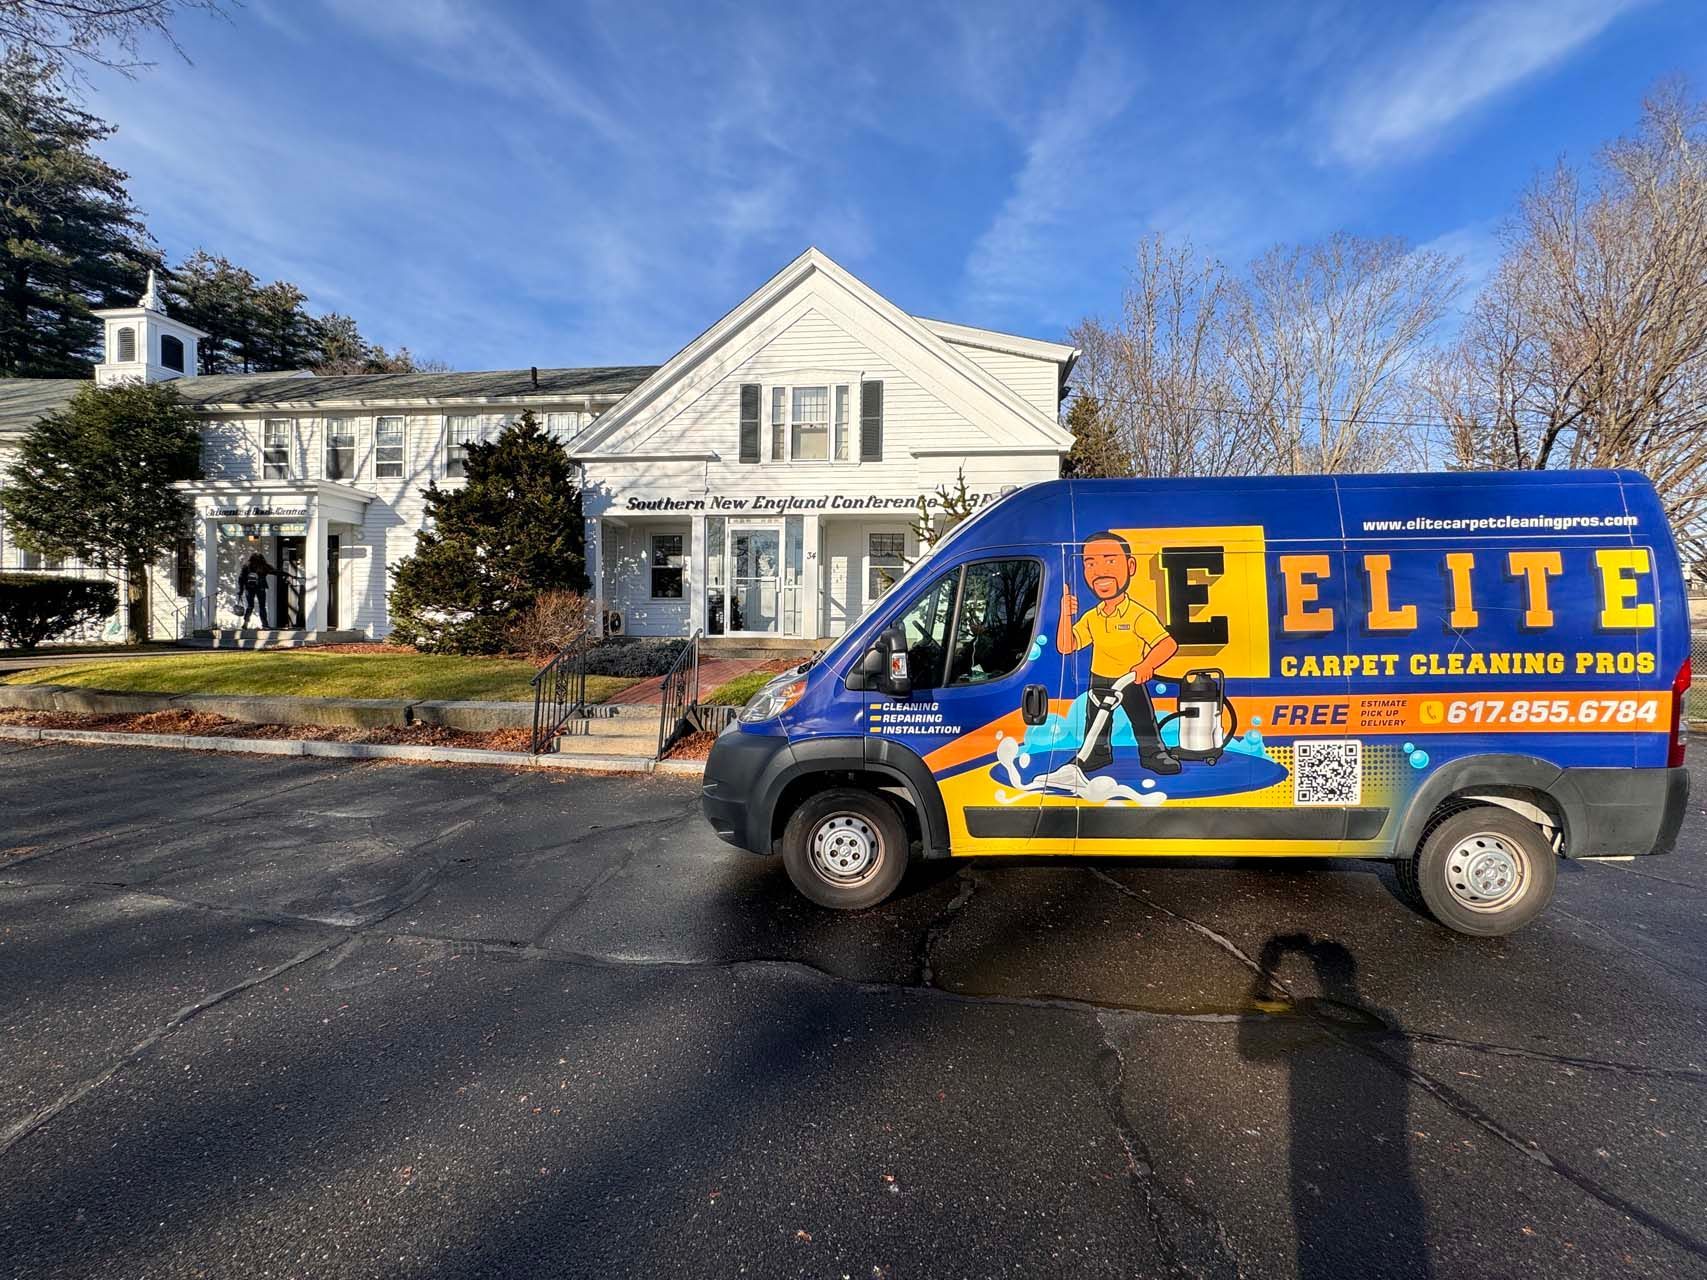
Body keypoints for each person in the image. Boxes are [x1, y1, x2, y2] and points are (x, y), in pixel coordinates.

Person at [1055, 530, 1181, 778]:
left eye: (1110, 560)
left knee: (1143, 720)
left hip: (1130, 679)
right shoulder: (1092, 617)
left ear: (1130, 566)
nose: (1100, 570)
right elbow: (1066, 645)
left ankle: (1154, 754)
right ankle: (1096, 754)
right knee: (1096, 723)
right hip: (1099, 678)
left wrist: (1147, 665)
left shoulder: (1138, 614)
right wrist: (1065, 614)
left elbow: (1168, 644)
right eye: (1090, 563)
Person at [237, 552, 277, 629]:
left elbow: (241, 579)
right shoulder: (264, 566)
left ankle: (245, 623)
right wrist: (287, 574)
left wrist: (240, 591)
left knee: (250, 606)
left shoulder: (247, 566)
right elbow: (275, 572)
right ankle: (265, 625)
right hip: (260, 587)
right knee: (262, 606)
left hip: (249, 588)